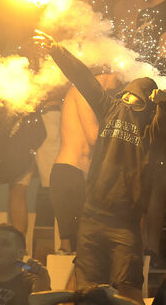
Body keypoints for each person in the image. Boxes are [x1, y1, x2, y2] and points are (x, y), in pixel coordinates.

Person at [33, 30, 166, 302]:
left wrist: (165, 104)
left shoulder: (149, 131)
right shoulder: (108, 108)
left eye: (134, 98)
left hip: (125, 222)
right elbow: (84, 79)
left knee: (129, 286)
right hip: (93, 215)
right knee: (86, 289)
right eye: (126, 95)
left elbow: (165, 123)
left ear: (145, 104)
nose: (127, 100)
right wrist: (56, 50)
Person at [50, 72, 121, 254]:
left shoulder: (95, 96)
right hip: (69, 172)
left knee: (86, 245)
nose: (120, 83)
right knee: (72, 246)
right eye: (118, 77)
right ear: (107, 72)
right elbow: (94, 136)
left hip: (81, 175)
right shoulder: (81, 90)